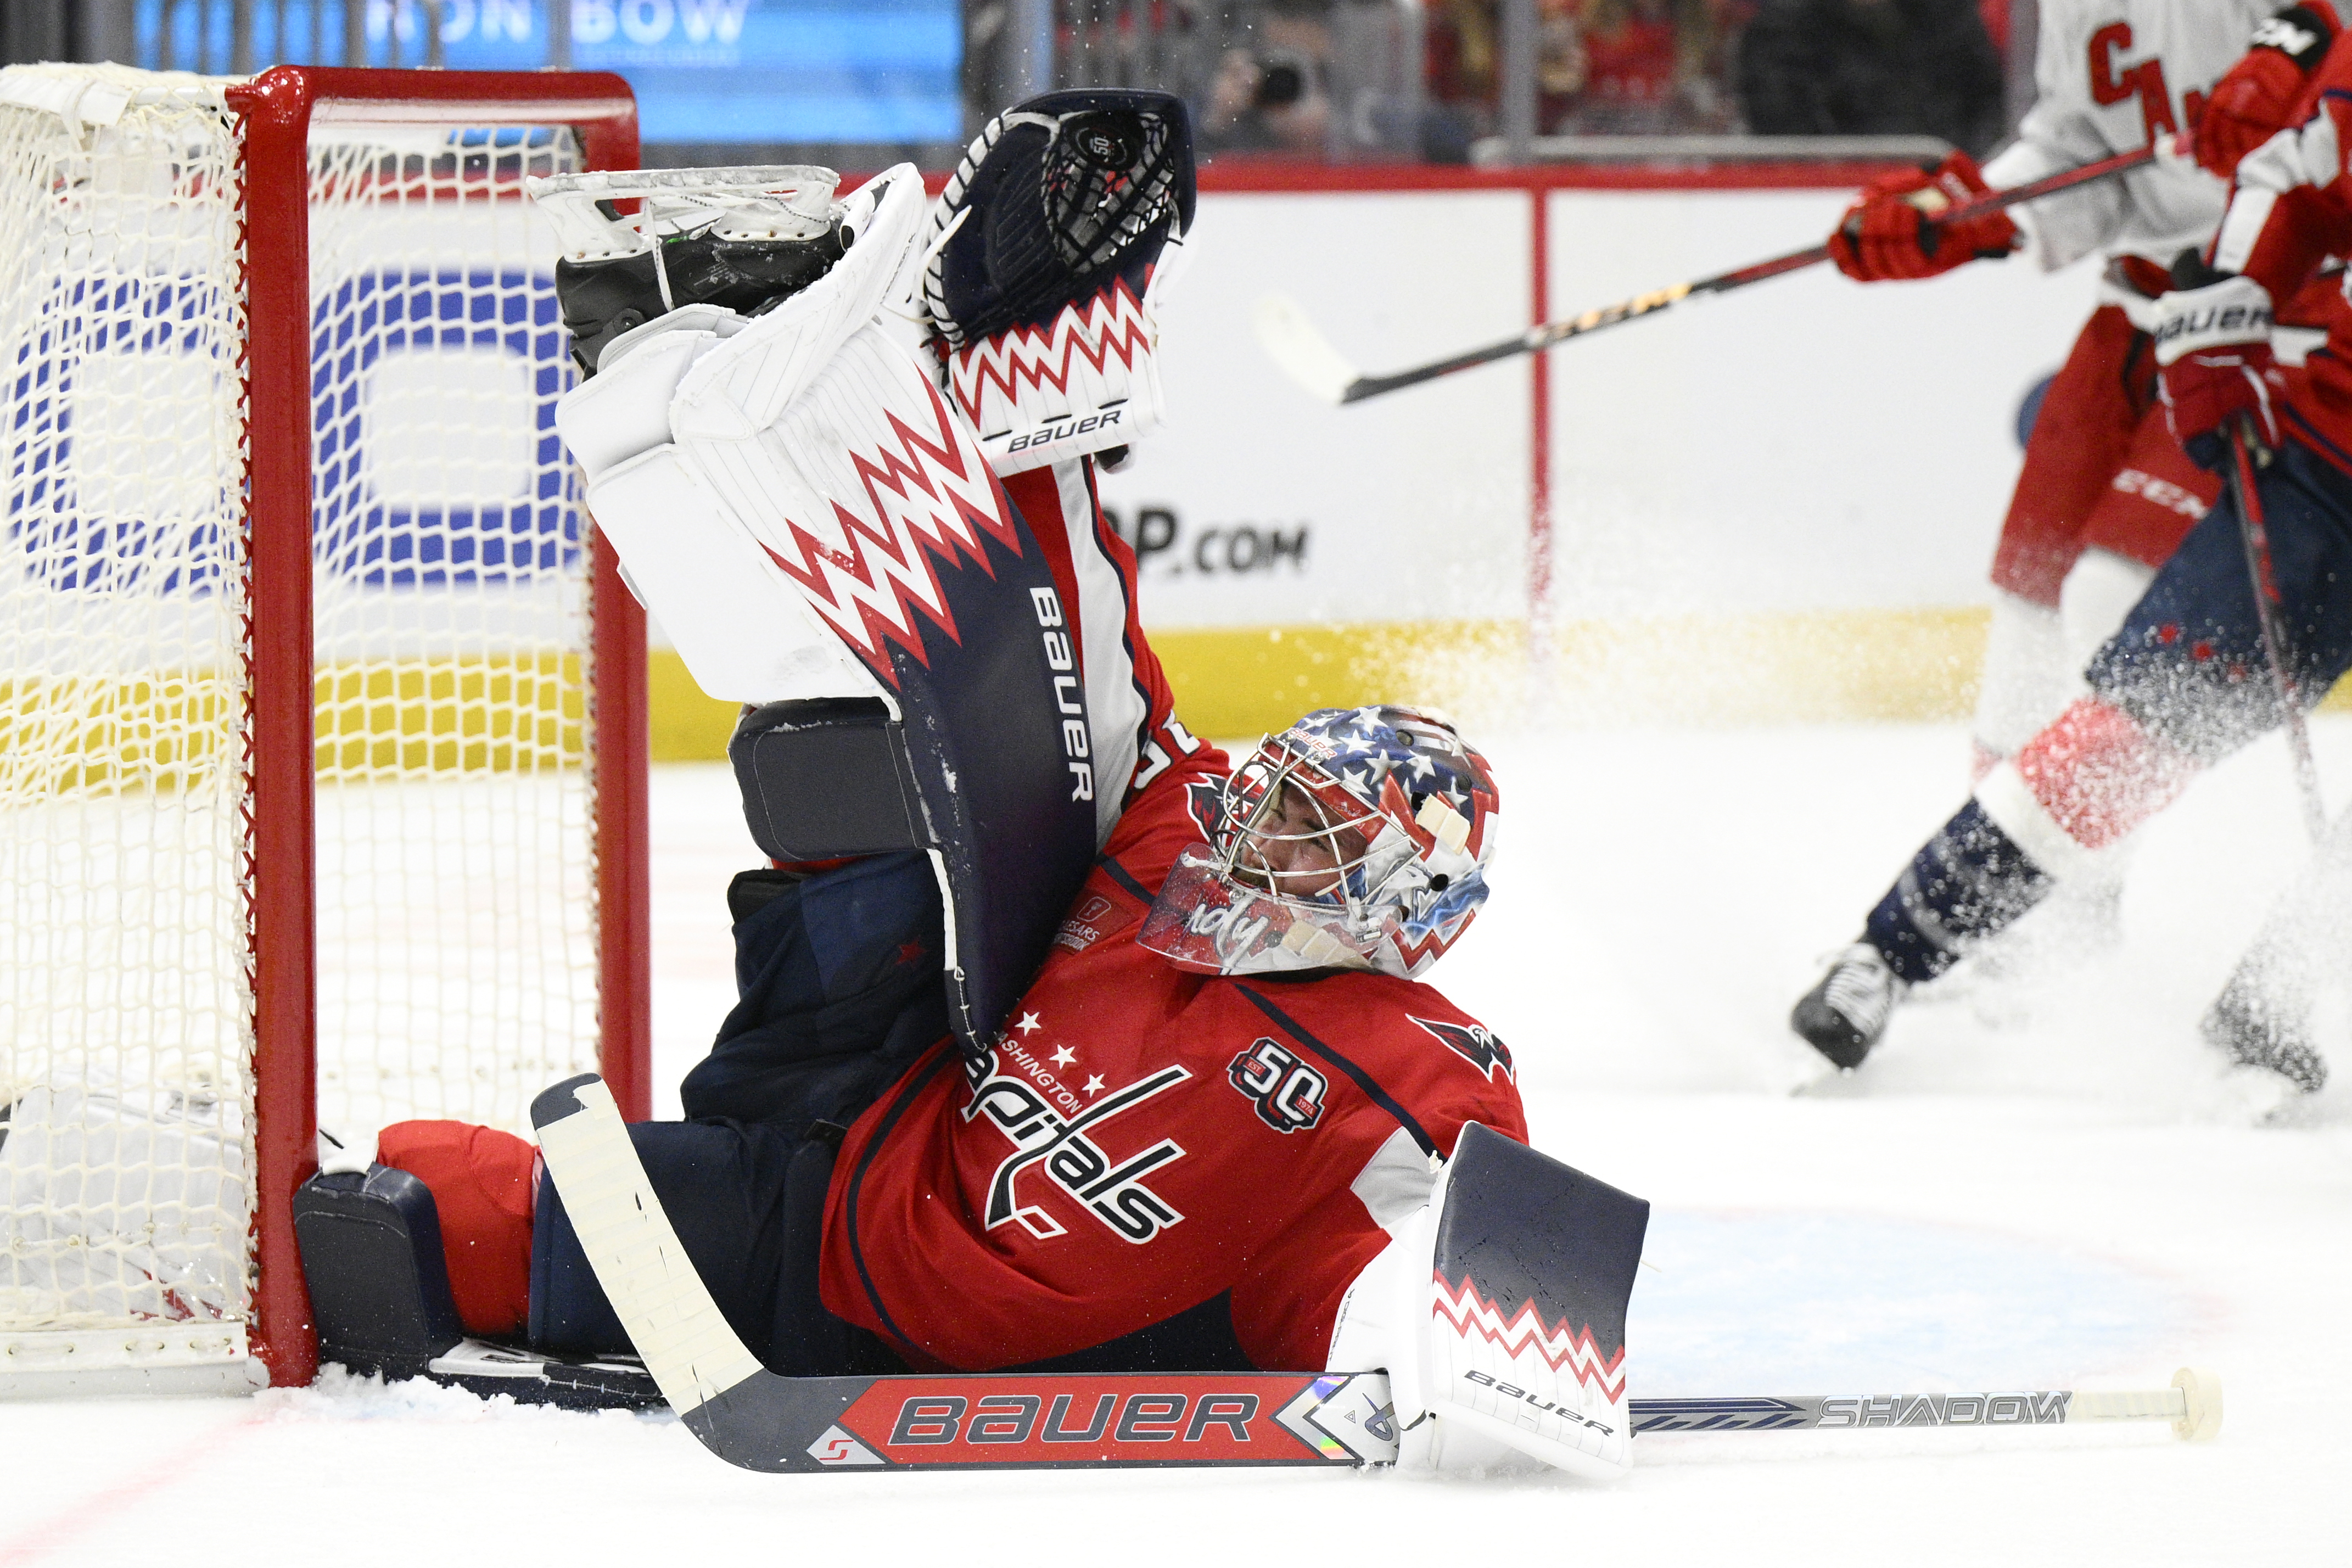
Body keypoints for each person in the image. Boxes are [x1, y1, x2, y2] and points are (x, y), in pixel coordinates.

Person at [293, 89, 1649, 1481]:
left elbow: (1450, 1270)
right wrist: (1047, 416)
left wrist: (1473, 1346)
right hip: (879, 1082)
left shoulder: (1420, 1073)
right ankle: (908, 349)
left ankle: (278, 1200)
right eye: (1278, 795)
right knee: (905, 719)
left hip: (835, 1267)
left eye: (1316, 838)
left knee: (445, 1216)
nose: (1260, 837)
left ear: (1403, 911)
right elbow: (1092, 667)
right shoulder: (1186, 828)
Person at [1789, 15, 2352, 1103]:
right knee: (2037, 622)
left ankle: (2219, 979)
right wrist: (1972, 217)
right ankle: (1979, 929)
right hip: (2192, 324)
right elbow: (2105, 151)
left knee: (2109, 607)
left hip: (2283, 335)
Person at [1736, 0, 2007, 155]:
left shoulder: (1946, 12)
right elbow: (1793, 145)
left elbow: (1989, 103)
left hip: (1954, 189)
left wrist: (1966, 170)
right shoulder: (1781, 30)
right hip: (1837, 199)